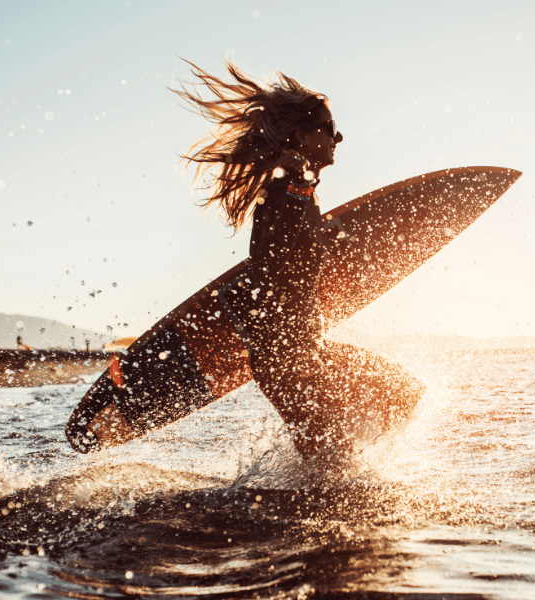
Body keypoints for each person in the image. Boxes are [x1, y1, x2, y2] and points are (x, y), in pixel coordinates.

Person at [173, 59, 424, 462]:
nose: (338, 136)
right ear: (301, 135)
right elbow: (271, 261)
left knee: (401, 395)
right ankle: (292, 502)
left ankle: (302, 491)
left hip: (303, 351)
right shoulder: (288, 192)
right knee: (332, 466)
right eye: (328, 128)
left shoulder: (296, 193)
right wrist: (295, 184)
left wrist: (312, 205)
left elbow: (284, 253)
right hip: (289, 358)